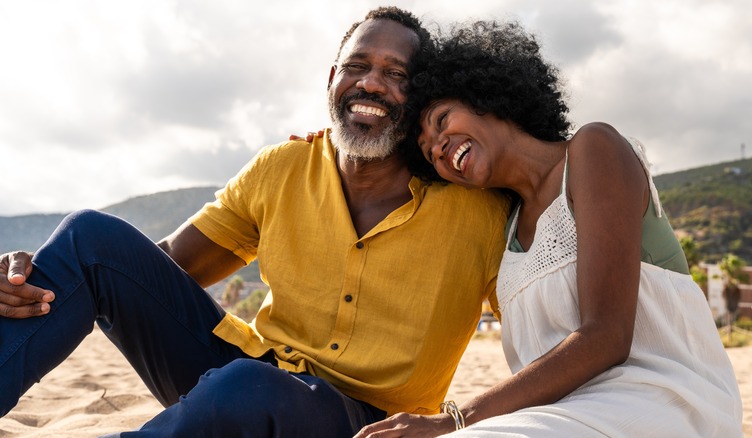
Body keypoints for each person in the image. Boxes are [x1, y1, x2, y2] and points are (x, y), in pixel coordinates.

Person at [0, 8, 509, 437]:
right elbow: (159, 269)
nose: (371, 83)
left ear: (421, 98)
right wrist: (47, 273)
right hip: (248, 371)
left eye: (397, 74)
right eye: (356, 65)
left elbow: (542, 335)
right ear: (332, 80)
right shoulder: (281, 168)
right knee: (90, 236)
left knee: (243, 388)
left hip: (367, 421)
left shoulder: (477, 209)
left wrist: (461, 420)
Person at [356, 21, 742, 437]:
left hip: (665, 403)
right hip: (565, 417)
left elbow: (607, 336)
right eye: (428, 153)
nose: (438, 147)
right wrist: (329, 145)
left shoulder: (593, 151)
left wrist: (454, 420)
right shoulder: (505, 231)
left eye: (442, 120)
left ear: (484, 97)